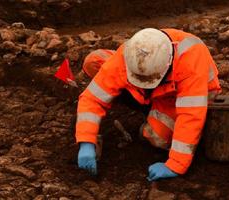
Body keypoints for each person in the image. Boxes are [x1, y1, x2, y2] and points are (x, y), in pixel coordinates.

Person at [75, 28, 221, 181]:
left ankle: (154, 114)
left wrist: (175, 164)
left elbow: (191, 116)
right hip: (153, 90)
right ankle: (147, 106)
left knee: (155, 136)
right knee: (94, 61)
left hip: (179, 97)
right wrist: (86, 141)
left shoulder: (191, 60)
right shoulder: (131, 52)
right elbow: (92, 98)